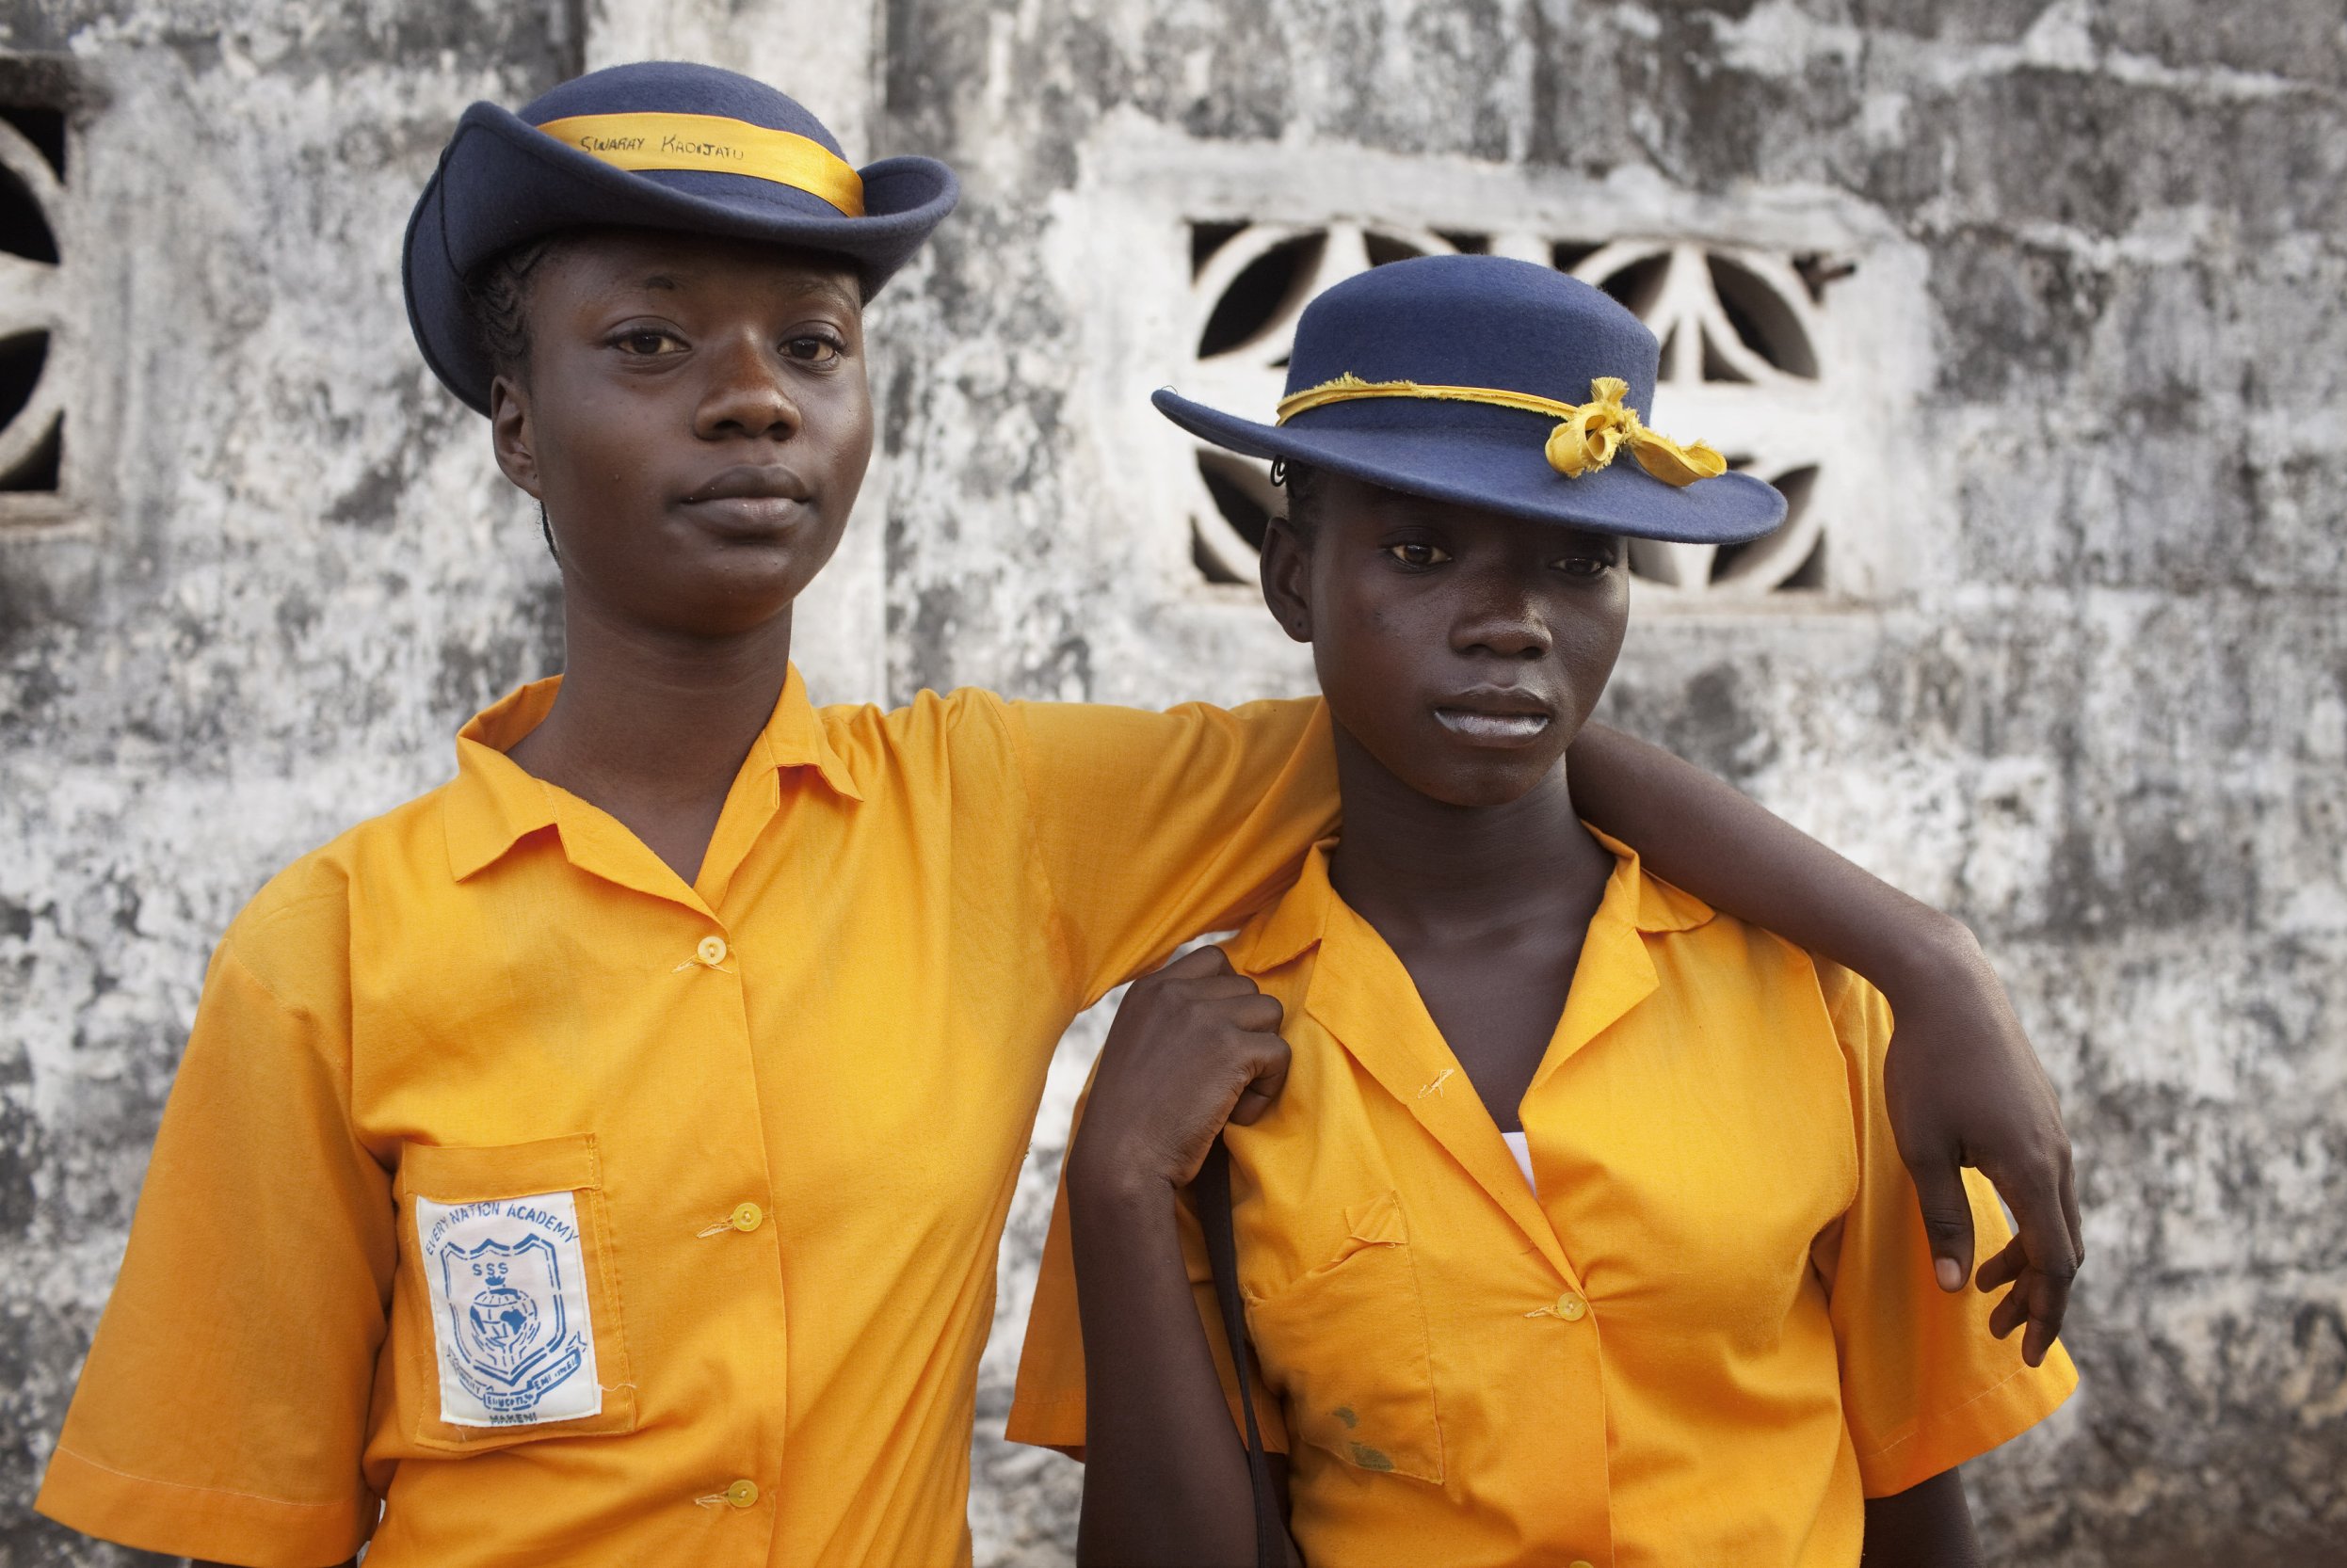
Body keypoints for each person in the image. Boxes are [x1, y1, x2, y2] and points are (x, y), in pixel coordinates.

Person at [33, 64, 2076, 1568]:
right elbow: (243, 1515)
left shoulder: (990, 821)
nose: (752, 397)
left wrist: (1917, 959)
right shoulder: (336, 943)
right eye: (648, 341)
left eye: (812, 348)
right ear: (512, 422)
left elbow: (1476, 711)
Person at [1007, 256, 2078, 1567]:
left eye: (1577, 561)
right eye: (1419, 550)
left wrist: (1932, 959)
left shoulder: (1812, 993)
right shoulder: (1200, 1072)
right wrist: (1118, 1182)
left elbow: (1910, 1493)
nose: (1510, 622)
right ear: (1294, 577)